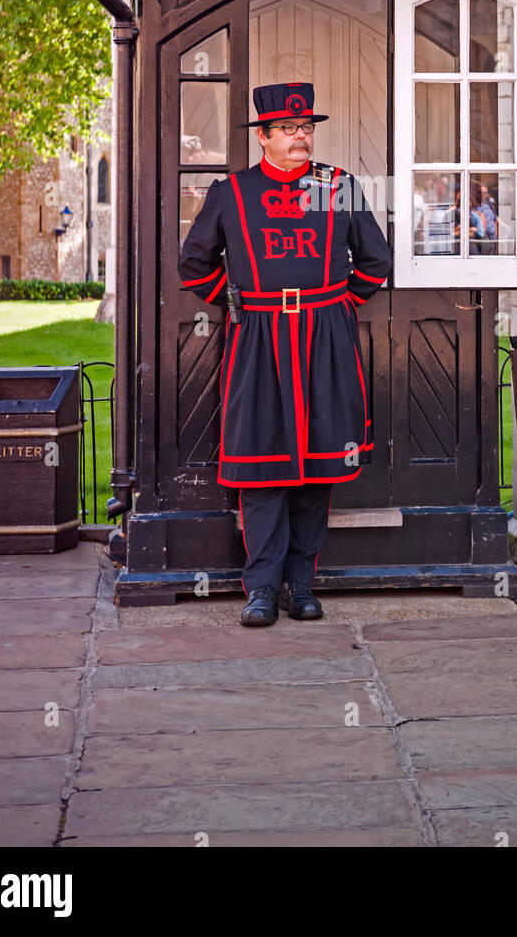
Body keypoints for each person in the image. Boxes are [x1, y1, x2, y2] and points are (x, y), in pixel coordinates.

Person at [178, 81, 392, 627]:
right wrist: (240, 301)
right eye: (290, 130)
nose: (302, 138)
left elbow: (375, 260)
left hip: (325, 337)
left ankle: (301, 586)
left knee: (317, 467)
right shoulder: (234, 192)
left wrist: (339, 304)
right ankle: (261, 588)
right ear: (264, 138)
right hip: (259, 339)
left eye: (307, 128)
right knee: (261, 467)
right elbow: (194, 265)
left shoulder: (336, 185)